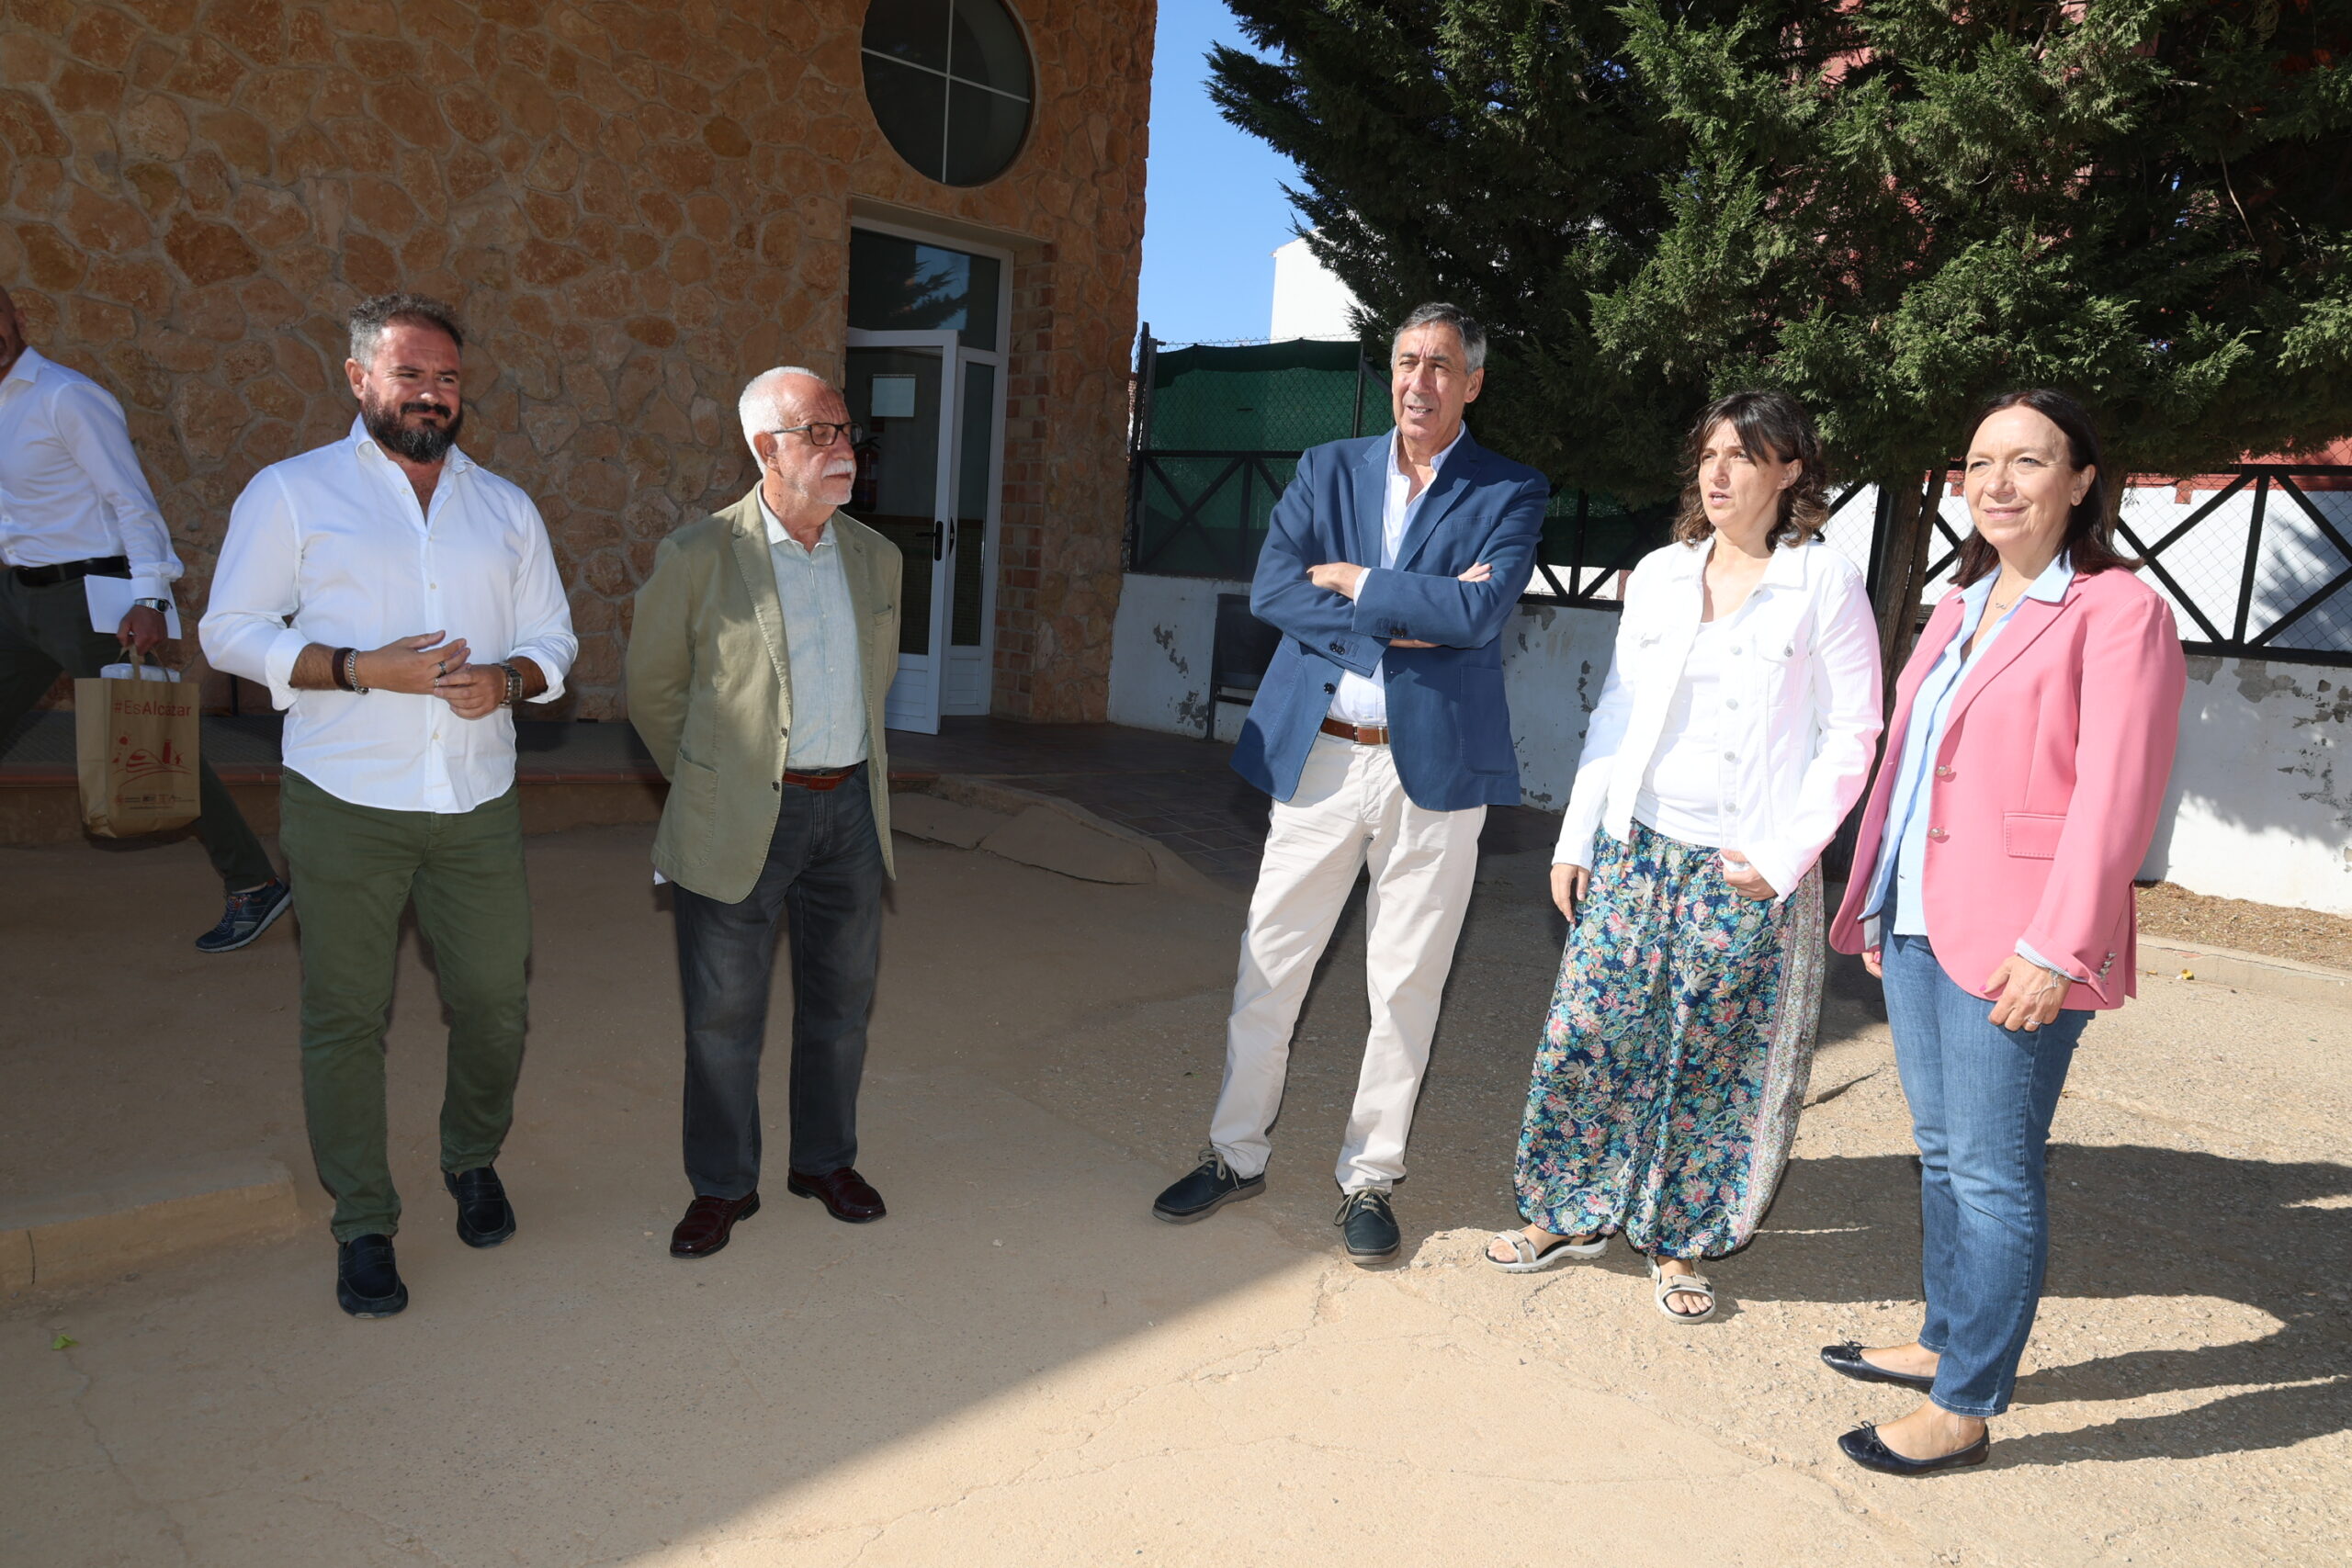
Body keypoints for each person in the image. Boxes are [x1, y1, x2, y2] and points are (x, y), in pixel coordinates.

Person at [1821, 389, 2185, 1474]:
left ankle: (1965, 1403)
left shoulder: (2118, 610)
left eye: (2027, 461)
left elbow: (2117, 796)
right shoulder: (1958, 602)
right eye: (1980, 463)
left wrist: (2056, 947)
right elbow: (1913, 766)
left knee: (1990, 1172)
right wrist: (1879, 893)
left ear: (2080, 481)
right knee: (1942, 1153)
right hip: (1921, 919)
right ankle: (1943, 1339)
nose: (1997, 483)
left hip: (2023, 939)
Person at [200, 293, 577, 1318]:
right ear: (360, 378)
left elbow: (554, 638)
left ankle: (471, 1158)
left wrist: (510, 680)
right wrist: (357, 667)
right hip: (346, 800)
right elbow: (229, 630)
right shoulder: (291, 491)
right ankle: (363, 1220)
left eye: (447, 378)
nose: (431, 395)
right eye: (410, 374)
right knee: (346, 1014)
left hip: (476, 799)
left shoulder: (506, 507)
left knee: (495, 1000)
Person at [1150, 302, 1549, 1264]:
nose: (1420, 381)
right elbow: (1273, 590)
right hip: (1320, 756)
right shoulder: (1326, 467)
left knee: (1405, 983)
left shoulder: (1510, 489)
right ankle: (1234, 1153)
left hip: (1435, 772)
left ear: (1472, 383)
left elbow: (1479, 615)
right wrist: (1407, 619)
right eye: (1408, 361)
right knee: (1269, 963)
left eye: (1441, 365)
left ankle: (1370, 1176)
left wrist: (1356, 582)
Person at [1487, 390, 1883, 1321]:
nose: (1717, 473)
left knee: (1709, 1057)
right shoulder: (1663, 574)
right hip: (1634, 846)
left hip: (1743, 865)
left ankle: (1677, 1240)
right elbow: (1618, 709)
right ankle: (1569, 1211)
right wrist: (1578, 834)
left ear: (1789, 471)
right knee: (1592, 1031)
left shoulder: (1824, 582)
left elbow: (1853, 731)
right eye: (1708, 454)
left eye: (1741, 455)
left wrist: (1786, 854)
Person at [627, 367, 902, 1260]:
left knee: (841, 1006)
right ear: (764, 450)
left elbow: (877, 682)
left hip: (850, 812)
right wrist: (715, 784)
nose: (842, 449)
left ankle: (823, 1162)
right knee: (722, 1018)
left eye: (845, 431)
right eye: (818, 433)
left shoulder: (877, 557)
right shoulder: (698, 555)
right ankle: (722, 1185)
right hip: (741, 815)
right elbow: (653, 693)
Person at [0, 285, 288, 951]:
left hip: (87, 600)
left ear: (17, 318)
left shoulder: (66, 397)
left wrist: (152, 598)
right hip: (14, 600)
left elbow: (131, 501)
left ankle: (254, 883)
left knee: (153, 744)